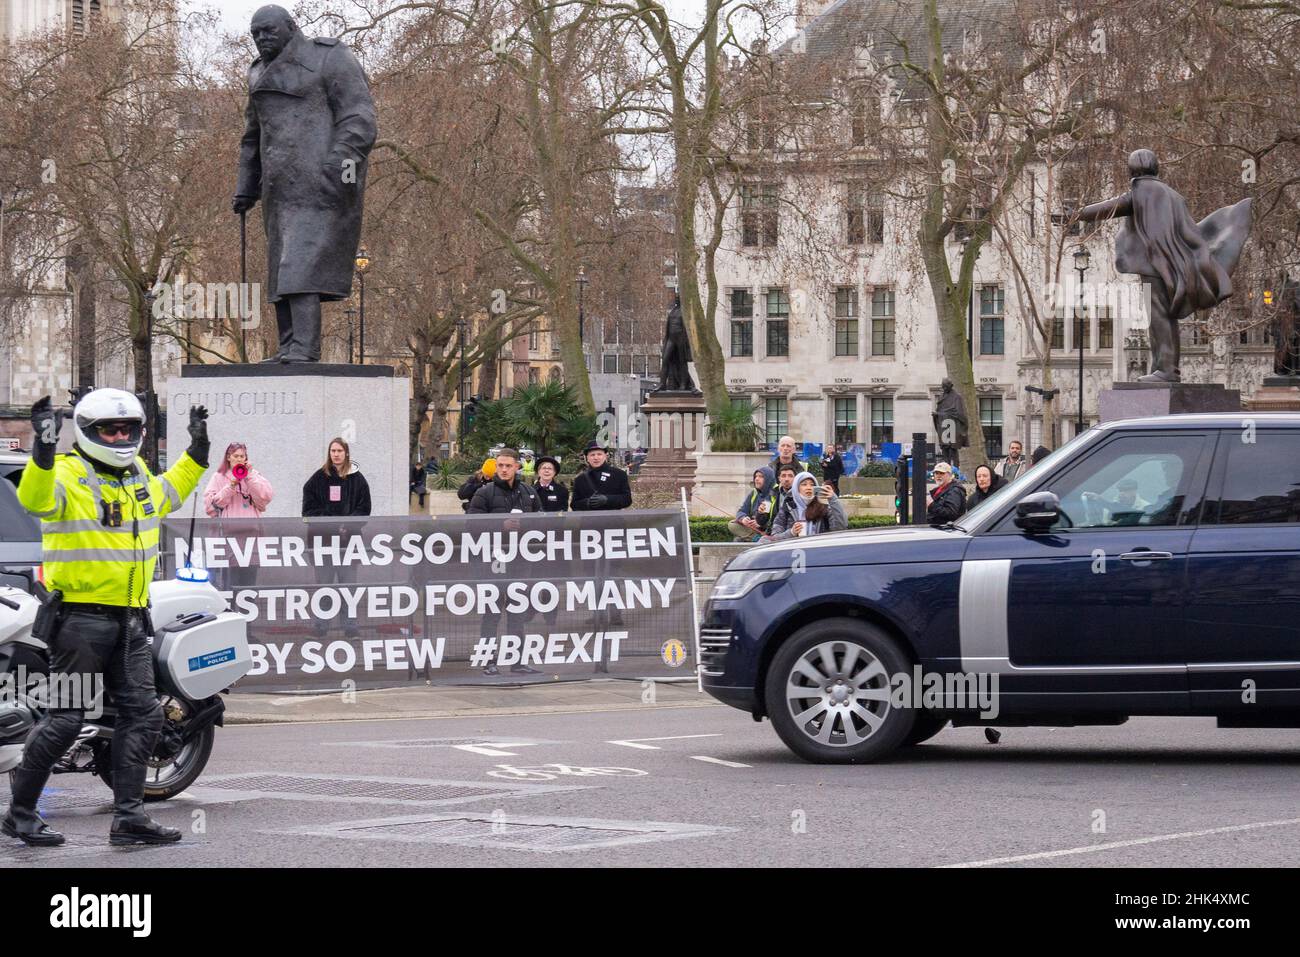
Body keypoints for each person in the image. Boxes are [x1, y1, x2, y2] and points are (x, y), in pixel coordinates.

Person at [4, 389, 209, 847]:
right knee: (65, 720)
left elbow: (170, 492)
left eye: (128, 429)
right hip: (79, 625)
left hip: (133, 621)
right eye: (109, 430)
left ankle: (129, 817)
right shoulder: (67, 474)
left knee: (144, 714)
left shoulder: (136, 474)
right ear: (89, 433)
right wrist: (41, 449)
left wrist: (197, 453)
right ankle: (20, 814)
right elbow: (35, 500)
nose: (120, 437)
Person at [302, 437, 371, 516]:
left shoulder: (357, 478)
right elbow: (309, 508)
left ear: (346, 453)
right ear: (329, 453)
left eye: (340, 451)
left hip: (350, 528)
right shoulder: (319, 477)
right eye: (333, 451)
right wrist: (326, 519)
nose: (336, 454)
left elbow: (364, 507)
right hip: (325, 527)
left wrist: (349, 524)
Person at [770, 471, 848, 540]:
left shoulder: (824, 508)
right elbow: (775, 537)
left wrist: (833, 500)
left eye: (812, 485)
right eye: (804, 484)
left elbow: (840, 528)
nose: (809, 488)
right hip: (793, 552)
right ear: (796, 488)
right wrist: (791, 533)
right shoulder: (787, 509)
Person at [203, 442, 273, 518]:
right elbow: (210, 507)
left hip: (252, 526)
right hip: (228, 526)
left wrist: (249, 477)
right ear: (228, 457)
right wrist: (231, 486)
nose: (239, 459)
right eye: (235, 456)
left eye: (242, 456)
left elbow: (265, 497)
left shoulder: (253, 475)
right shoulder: (218, 476)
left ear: (246, 458)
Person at [468, 448, 541, 513]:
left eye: (508, 466)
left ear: (517, 467)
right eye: (500, 465)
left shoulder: (529, 491)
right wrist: (502, 524)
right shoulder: (483, 493)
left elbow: (539, 522)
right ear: (496, 467)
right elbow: (473, 524)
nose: (504, 470)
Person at [571, 441, 632, 510]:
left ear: (605, 456)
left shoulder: (619, 474)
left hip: (613, 518)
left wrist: (607, 499)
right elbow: (574, 505)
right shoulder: (580, 479)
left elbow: (627, 500)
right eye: (592, 455)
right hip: (588, 519)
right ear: (587, 458)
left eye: (599, 454)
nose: (596, 458)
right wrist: (587, 502)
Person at [728, 467, 777, 542]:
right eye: (756, 476)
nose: (756, 479)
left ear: (768, 479)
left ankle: (758, 538)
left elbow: (778, 519)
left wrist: (761, 524)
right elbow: (741, 511)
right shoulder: (754, 493)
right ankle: (756, 538)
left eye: (761, 476)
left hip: (770, 529)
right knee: (732, 524)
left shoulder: (776, 493)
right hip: (754, 529)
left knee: (738, 539)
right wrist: (743, 519)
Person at [926, 461, 966, 526]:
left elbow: (951, 513)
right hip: (937, 529)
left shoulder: (955, 490)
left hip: (947, 530)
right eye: (936, 473)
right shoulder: (939, 489)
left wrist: (931, 505)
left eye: (942, 473)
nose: (938, 476)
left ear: (949, 475)